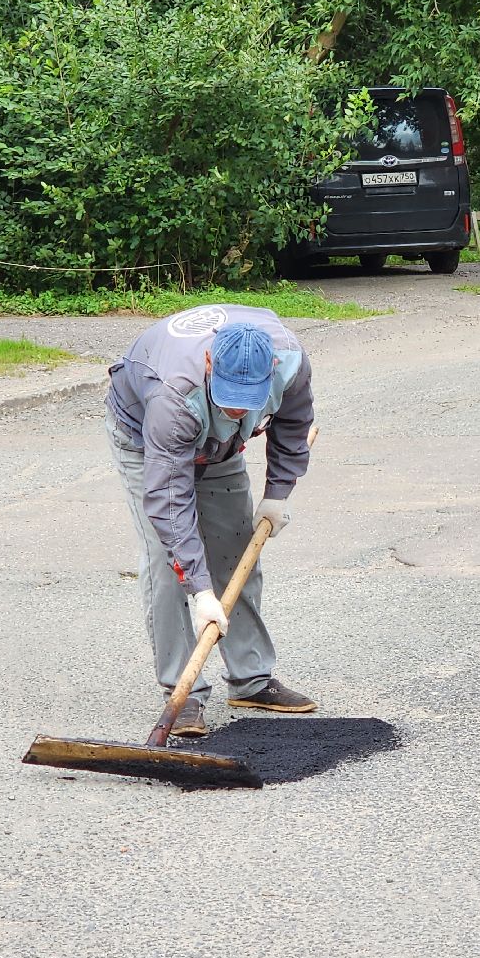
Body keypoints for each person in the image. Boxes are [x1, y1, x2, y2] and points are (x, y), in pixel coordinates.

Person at [105, 303, 318, 737]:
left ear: (271, 369)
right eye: (230, 399)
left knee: (236, 550)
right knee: (169, 567)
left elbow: (294, 424)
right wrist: (200, 592)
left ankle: (251, 679)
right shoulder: (173, 396)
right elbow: (170, 502)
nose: (239, 410)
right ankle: (183, 693)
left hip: (221, 448)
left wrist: (278, 493)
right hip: (146, 439)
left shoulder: (290, 363)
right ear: (208, 363)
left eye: (248, 401)